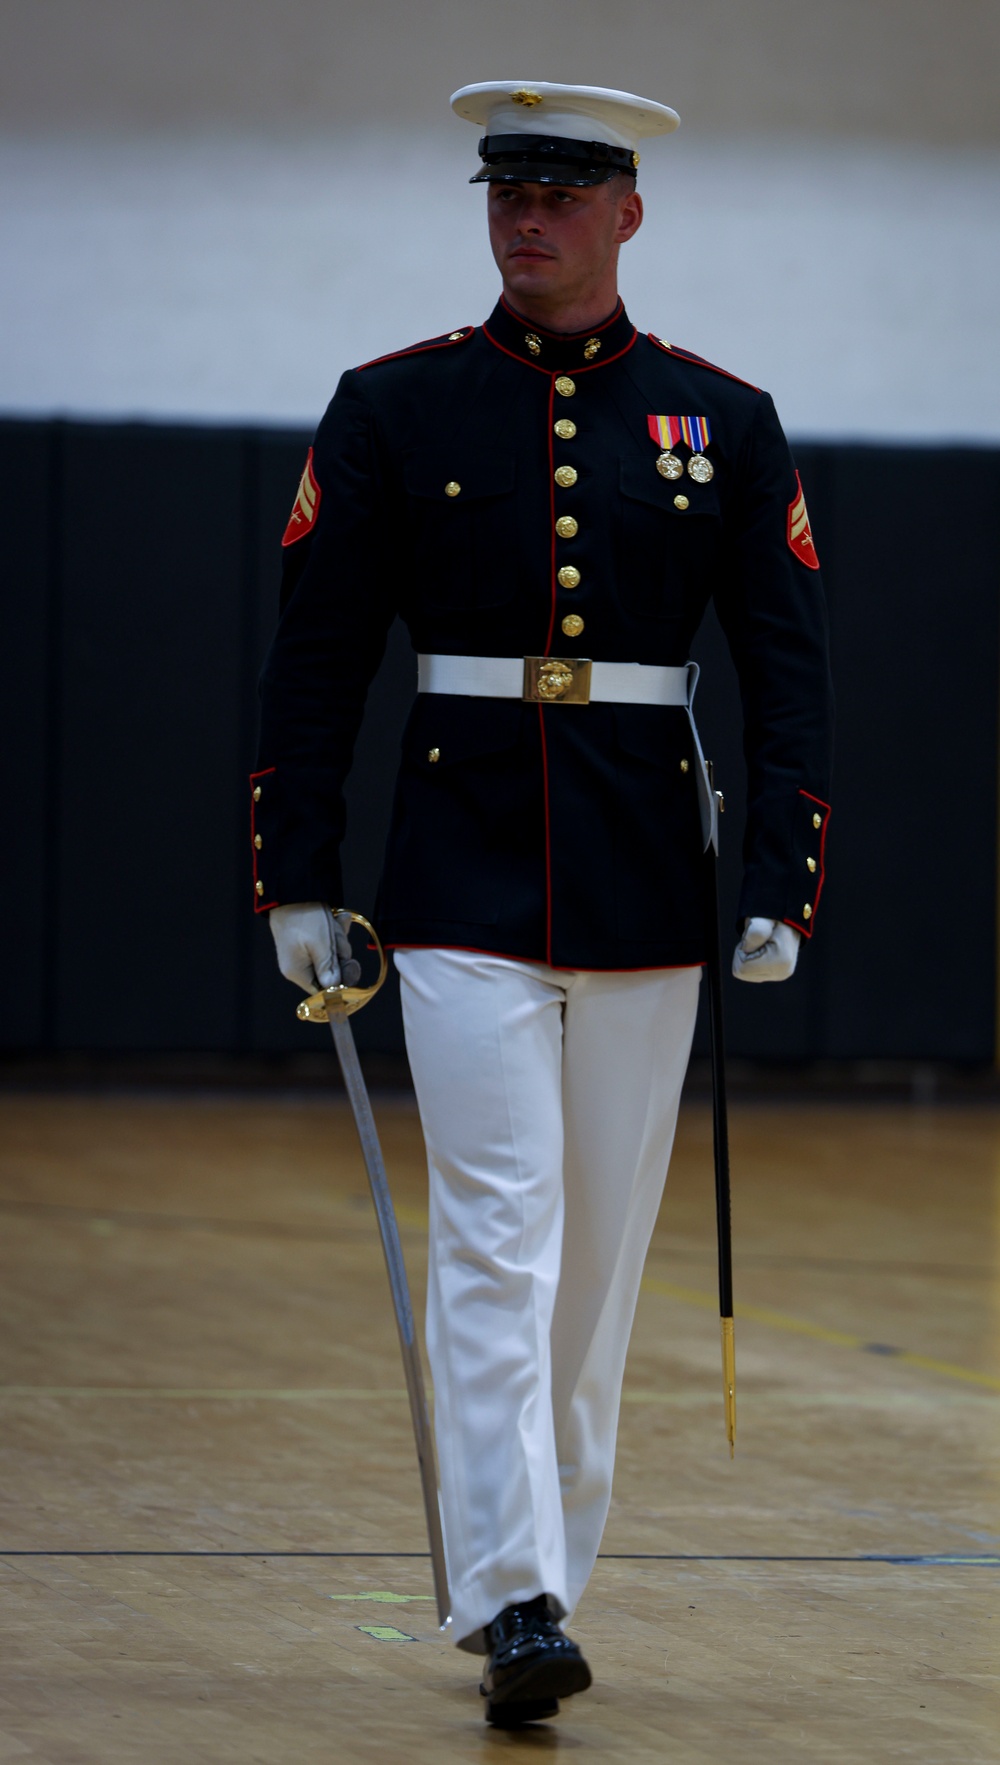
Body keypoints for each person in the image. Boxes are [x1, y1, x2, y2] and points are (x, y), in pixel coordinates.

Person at [250, 80, 833, 1727]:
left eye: (564, 193)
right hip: (459, 872)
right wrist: (297, 871)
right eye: (506, 190)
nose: (527, 218)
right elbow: (314, 665)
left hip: (650, 875)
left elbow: (793, 679)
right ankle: (511, 1599)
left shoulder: (721, 418)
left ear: (627, 213)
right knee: (498, 1234)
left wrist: (782, 876)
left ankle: (550, 1574)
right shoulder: (393, 409)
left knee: (598, 1271)